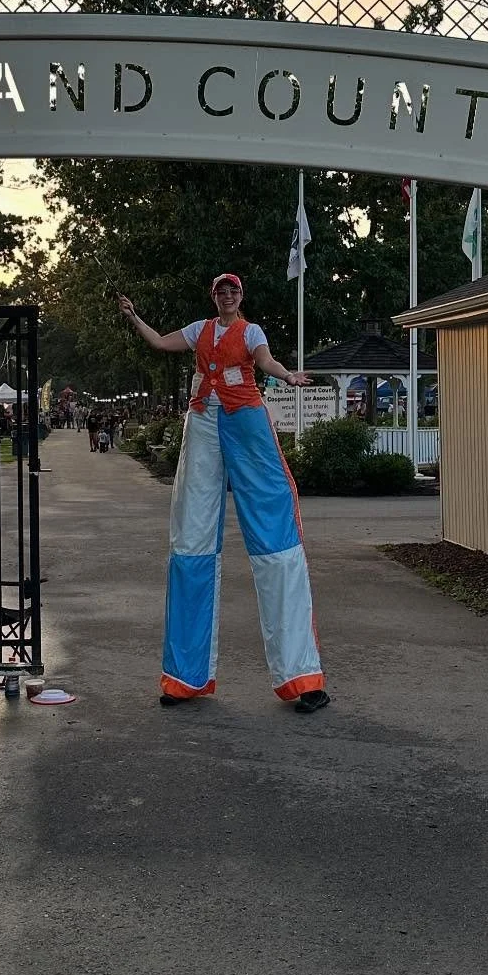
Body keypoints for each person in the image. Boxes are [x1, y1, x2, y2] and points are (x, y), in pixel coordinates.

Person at [119, 273, 329, 714]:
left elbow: (264, 360)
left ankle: (301, 678)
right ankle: (184, 678)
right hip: (203, 424)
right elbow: (159, 343)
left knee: (275, 540)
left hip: (247, 422)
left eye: (233, 290)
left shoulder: (251, 331)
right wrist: (134, 317)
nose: (228, 296)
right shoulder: (199, 330)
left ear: (241, 297)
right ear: (214, 297)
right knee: (190, 539)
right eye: (221, 291)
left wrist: (287, 375)